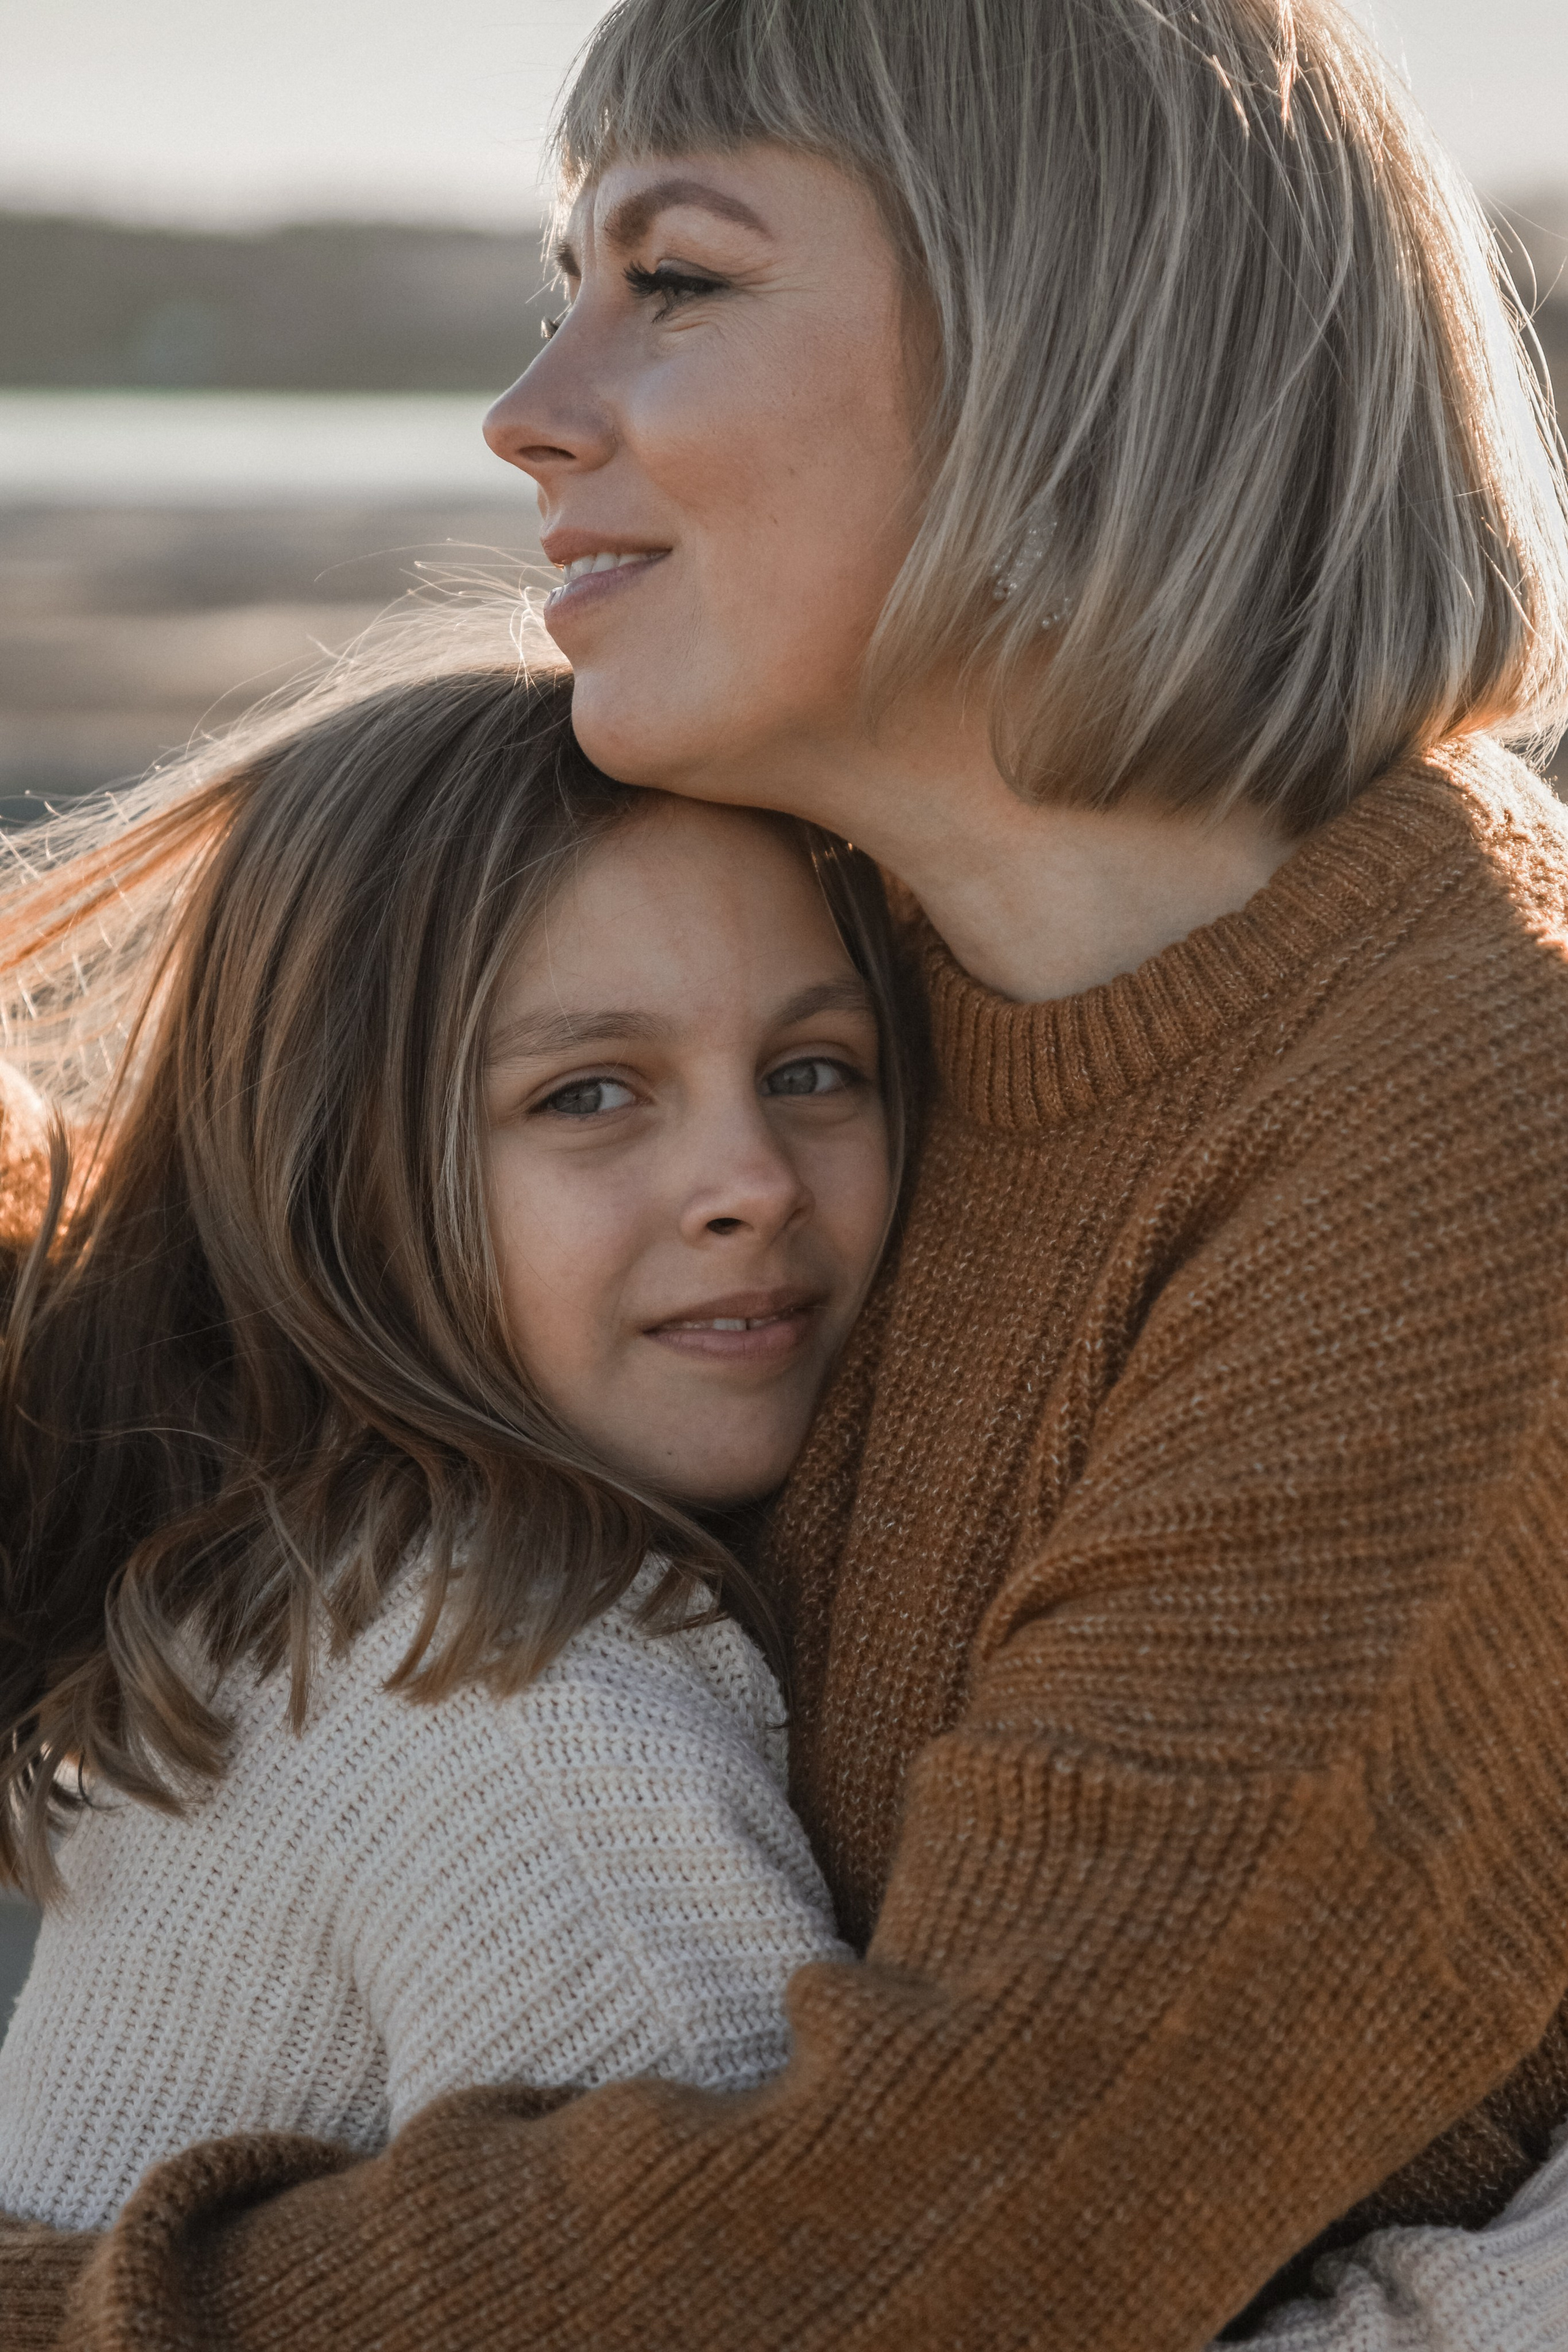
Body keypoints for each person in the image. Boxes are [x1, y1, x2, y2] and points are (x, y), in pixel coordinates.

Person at [6, 0, 1568, 2345]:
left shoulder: (1466, 1147)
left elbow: (942, 2240)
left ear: (1073, 341)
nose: (534, 410)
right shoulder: (886, 971)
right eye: (564, 286)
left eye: (681, 281)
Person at [0, 652, 899, 2223]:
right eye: (589, 1094)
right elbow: (832, 2298)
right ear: (334, 1182)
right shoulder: (519, 1710)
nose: (749, 1176)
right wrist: (1478, 2301)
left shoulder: (325, 1580)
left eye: (811, 1071)